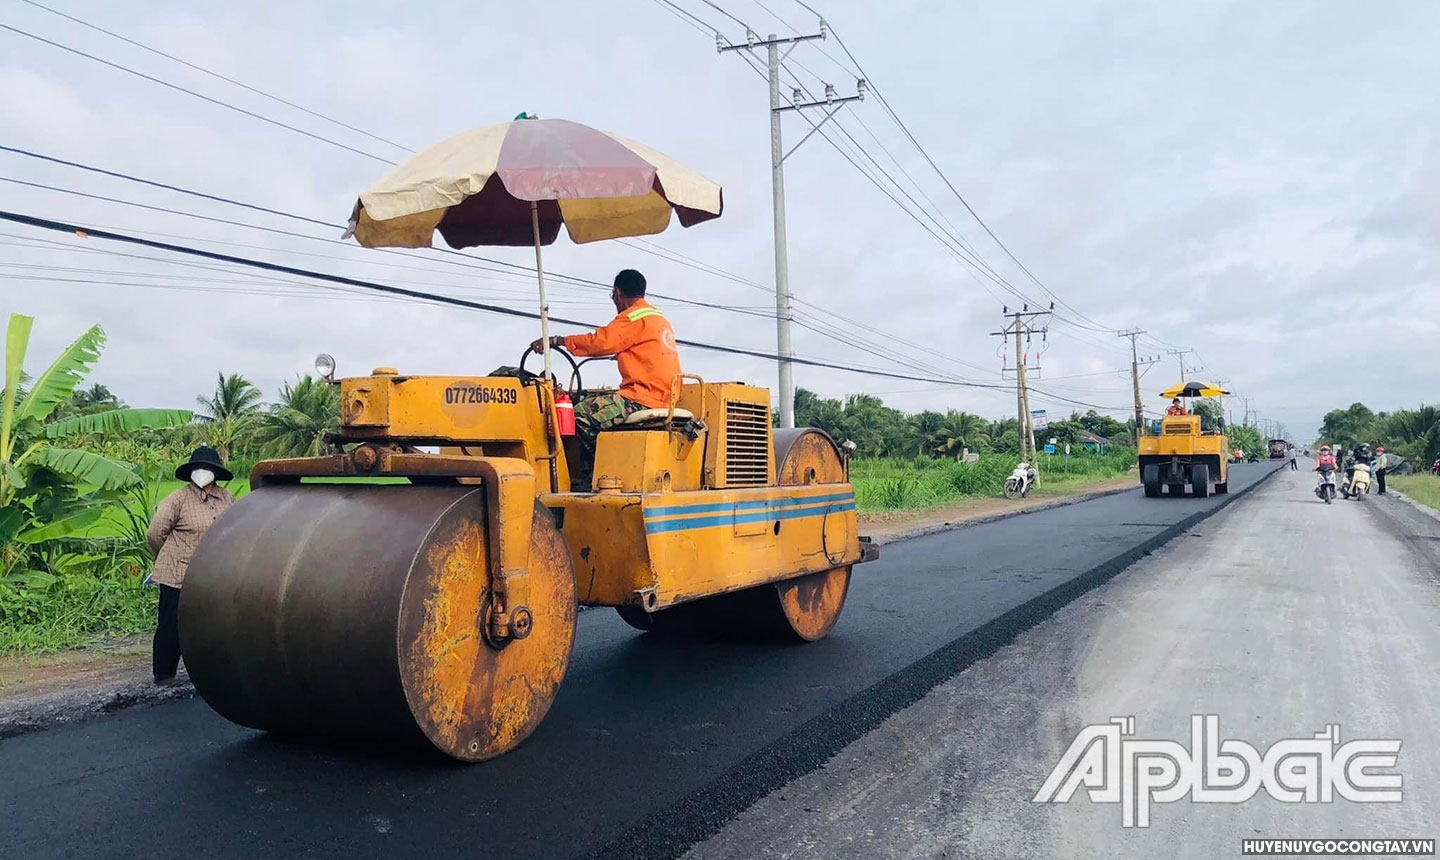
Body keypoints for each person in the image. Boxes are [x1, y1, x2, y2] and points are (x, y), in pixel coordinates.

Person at [531, 269, 680, 490]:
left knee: (578, 416)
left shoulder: (631, 317)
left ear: (617, 293)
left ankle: (594, 474)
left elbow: (600, 342)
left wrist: (557, 340)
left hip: (642, 397)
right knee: (598, 408)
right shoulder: (657, 318)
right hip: (665, 396)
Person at [145, 446, 235, 686]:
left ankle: (208, 671)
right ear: (191, 471)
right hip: (177, 571)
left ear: (216, 472)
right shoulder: (177, 499)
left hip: (213, 574)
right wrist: (166, 556)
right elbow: (155, 533)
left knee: (210, 623)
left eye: (207, 469)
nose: (202, 472)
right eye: (198, 468)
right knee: (171, 624)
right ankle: (164, 674)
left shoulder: (227, 498)